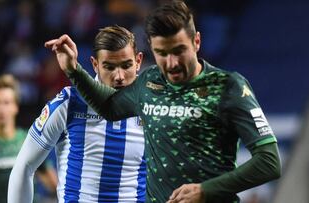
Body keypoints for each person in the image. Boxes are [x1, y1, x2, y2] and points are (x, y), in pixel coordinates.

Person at [45, 1, 282, 202]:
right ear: (152, 49)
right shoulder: (148, 82)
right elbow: (109, 107)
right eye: (162, 53)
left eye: (179, 50)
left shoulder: (228, 86)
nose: (171, 63)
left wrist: (205, 191)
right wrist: (73, 70)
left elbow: (269, 162)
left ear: (196, 42)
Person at [8, 25, 146, 203]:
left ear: (139, 61)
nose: (119, 76)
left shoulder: (153, 106)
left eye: (126, 65)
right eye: (109, 67)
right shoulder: (70, 102)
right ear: (95, 64)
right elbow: (24, 166)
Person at [0, 74, 57, 203]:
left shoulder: (31, 140)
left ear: (15, 107)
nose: (1, 109)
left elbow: (51, 181)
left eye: (6, 103)